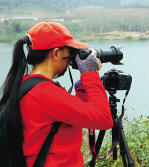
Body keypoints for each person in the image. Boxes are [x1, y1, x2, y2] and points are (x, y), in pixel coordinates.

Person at [0, 21, 113, 166]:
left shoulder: (26, 85)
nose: (73, 56)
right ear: (56, 53)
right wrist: (90, 74)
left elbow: (74, 116)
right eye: (70, 51)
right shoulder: (46, 93)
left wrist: (84, 85)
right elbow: (104, 119)